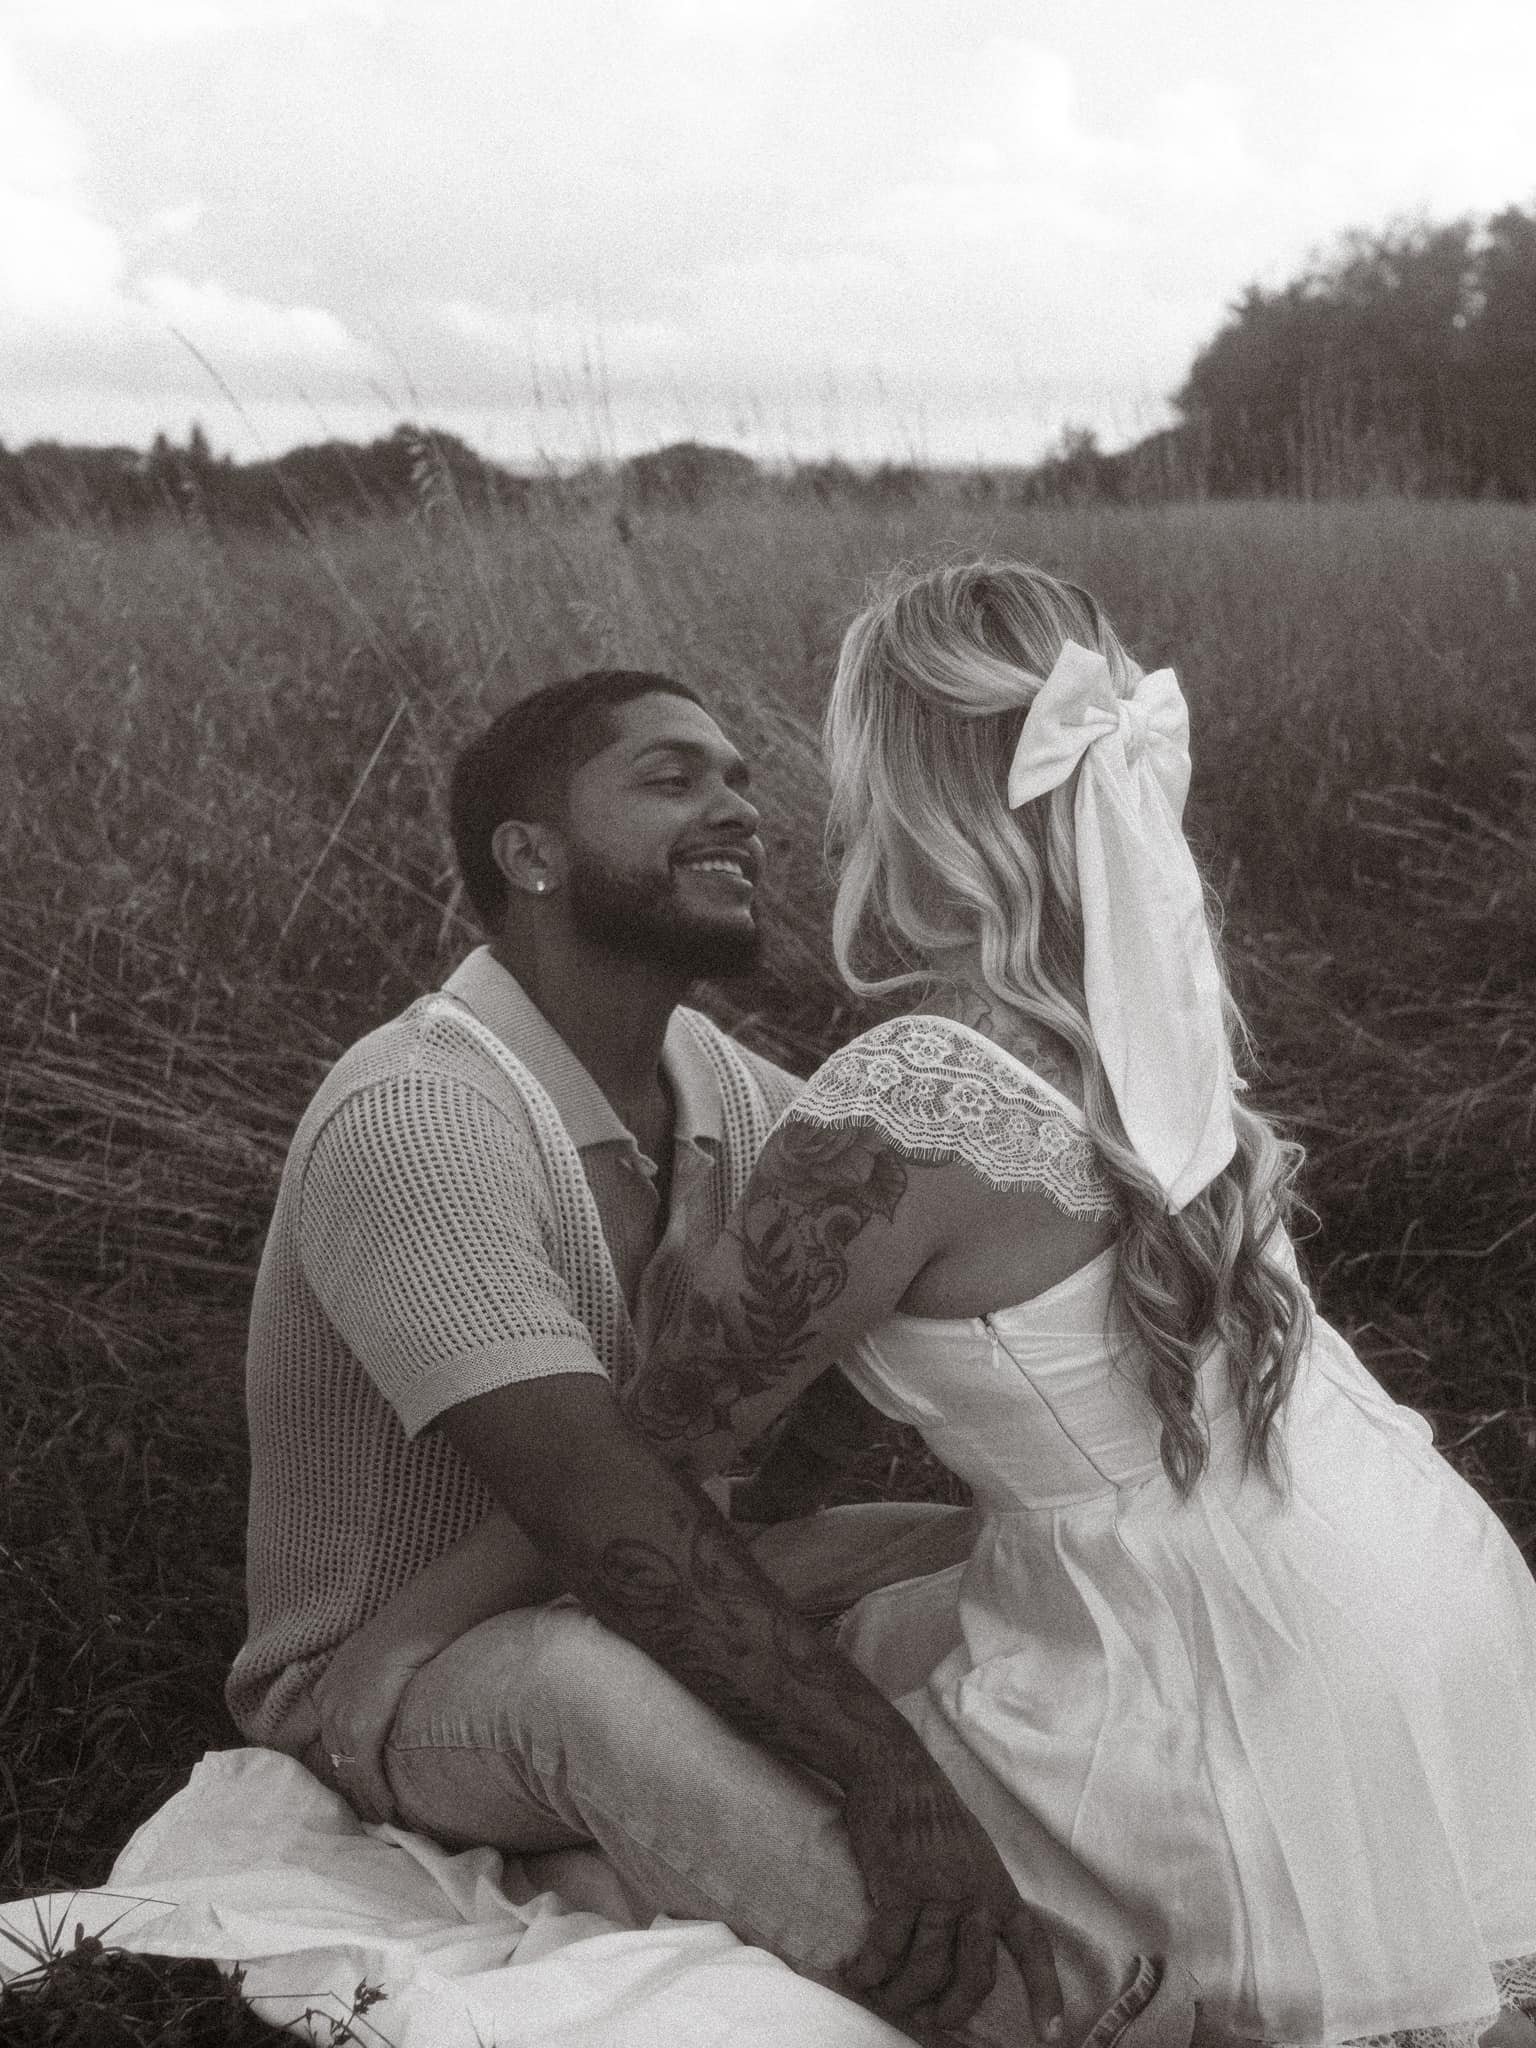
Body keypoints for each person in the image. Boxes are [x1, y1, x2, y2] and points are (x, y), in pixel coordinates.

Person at [609, 564, 1536, 2048]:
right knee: (882, 1625)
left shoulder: (908, 1098)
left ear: (898, 790)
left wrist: (682, 1247)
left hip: (1206, 1683)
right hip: (1417, 1592)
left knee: (716, 1810)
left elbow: (662, 1440)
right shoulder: (1150, 1008)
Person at [227, 668, 1195, 2047]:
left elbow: (910, 1281)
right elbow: (596, 1503)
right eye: (673, 780)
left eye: (741, 780)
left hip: (627, 1600)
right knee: (583, 1691)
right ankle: (1049, 2015)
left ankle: (1201, 1897)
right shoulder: (419, 1116)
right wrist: (879, 1770)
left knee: (1014, 1548)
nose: (739, 810)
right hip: (397, 1679)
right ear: (533, 853)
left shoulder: (718, 1081)